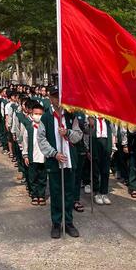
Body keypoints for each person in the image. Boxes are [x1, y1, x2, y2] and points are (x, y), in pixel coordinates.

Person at [39, 86, 82, 239]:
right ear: (50, 98)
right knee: (56, 193)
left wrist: (68, 132)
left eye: (60, 96)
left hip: (69, 160)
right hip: (54, 161)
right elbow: (41, 139)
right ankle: (56, 223)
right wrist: (54, 153)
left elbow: (78, 135)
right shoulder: (46, 117)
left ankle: (69, 222)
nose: (58, 99)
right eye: (55, 96)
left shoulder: (71, 115)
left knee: (69, 193)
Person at [22, 102, 47, 206]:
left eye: (40, 114)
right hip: (32, 156)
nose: (38, 116)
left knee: (42, 177)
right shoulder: (29, 127)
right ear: (32, 114)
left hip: (44, 156)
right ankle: (34, 195)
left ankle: (41, 195)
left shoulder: (46, 127)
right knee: (32, 177)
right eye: (36, 113)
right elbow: (25, 142)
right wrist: (25, 155)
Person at [91, 116, 115, 205]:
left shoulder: (108, 120)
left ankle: (104, 192)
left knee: (105, 171)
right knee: (96, 170)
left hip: (106, 144)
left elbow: (113, 133)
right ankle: (96, 192)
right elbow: (86, 133)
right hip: (96, 144)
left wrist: (113, 148)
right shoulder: (92, 118)